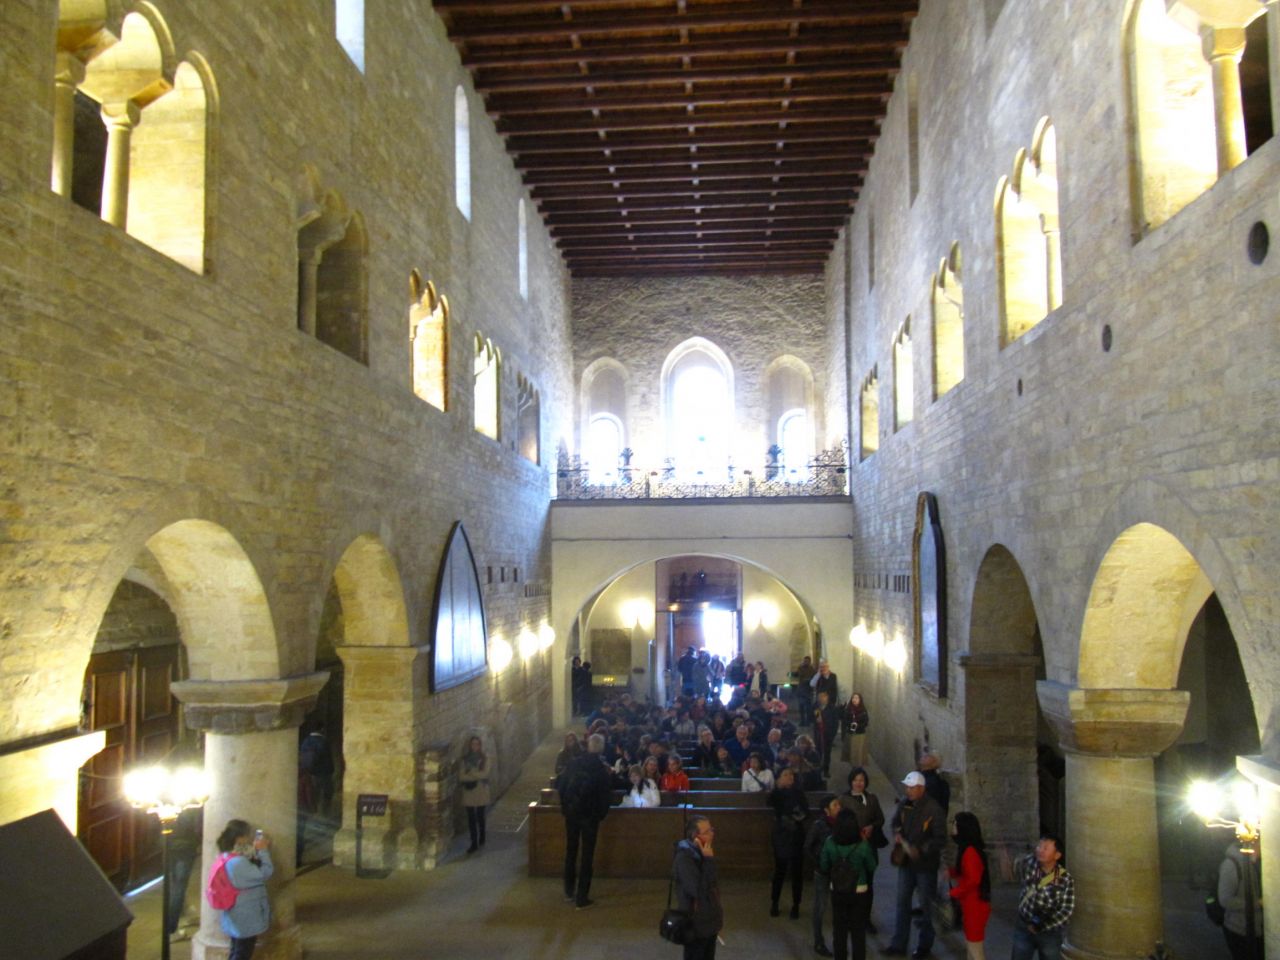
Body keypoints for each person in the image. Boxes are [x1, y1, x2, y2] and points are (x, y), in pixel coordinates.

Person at [885, 771, 947, 959]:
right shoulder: (905, 804)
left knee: (927, 907)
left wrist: (921, 849)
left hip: (925, 866)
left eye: (911, 788)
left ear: (921, 788)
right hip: (906, 863)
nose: (908, 790)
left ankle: (924, 946)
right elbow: (896, 822)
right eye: (907, 787)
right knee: (902, 903)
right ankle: (898, 944)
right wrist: (897, 832)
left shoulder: (934, 809)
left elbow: (940, 838)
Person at [556, 732, 614, 908]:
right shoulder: (602, 770)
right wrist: (600, 814)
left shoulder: (574, 763)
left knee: (571, 850)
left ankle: (568, 891)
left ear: (588, 746)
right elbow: (605, 796)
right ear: (601, 749)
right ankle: (582, 897)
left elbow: (561, 785)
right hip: (590, 816)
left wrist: (565, 807)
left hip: (572, 813)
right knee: (587, 855)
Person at [821, 810, 878, 960]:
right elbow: (872, 866)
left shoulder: (830, 842)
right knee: (858, 931)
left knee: (839, 930)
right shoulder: (862, 845)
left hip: (838, 890)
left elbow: (824, 865)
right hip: (859, 891)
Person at [214, 819, 273, 960]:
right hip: (245, 913)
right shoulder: (238, 862)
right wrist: (263, 851)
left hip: (236, 911)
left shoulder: (226, 855)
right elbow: (265, 872)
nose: (250, 838)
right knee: (243, 952)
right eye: (247, 835)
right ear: (239, 837)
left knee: (236, 949)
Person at [1010, 833, 1075, 960]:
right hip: (1024, 924)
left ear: (1057, 855)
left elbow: (1066, 910)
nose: (1040, 850)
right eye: (1039, 846)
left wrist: (1043, 925)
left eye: (1046, 848)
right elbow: (1015, 868)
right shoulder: (1029, 864)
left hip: (1049, 932)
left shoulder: (1064, 879)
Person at [840, 766, 887, 932]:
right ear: (851, 782)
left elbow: (880, 819)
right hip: (851, 848)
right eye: (856, 780)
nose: (859, 783)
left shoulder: (872, 799)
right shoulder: (844, 800)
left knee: (868, 883)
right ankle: (850, 917)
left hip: (868, 846)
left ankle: (866, 918)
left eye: (861, 780)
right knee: (850, 883)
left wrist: (872, 827)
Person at [674, 815, 724, 960]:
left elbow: (712, 883)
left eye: (712, 829)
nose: (712, 834)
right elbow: (697, 890)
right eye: (707, 832)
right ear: (695, 836)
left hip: (708, 921)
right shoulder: (684, 859)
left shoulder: (703, 852)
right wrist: (708, 860)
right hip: (695, 924)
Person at [948, 812, 992, 960]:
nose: (953, 827)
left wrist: (954, 892)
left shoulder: (970, 852)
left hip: (975, 906)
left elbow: (973, 880)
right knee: (971, 946)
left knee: (975, 949)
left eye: (955, 824)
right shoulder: (967, 849)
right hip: (971, 904)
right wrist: (951, 872)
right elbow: (966, 872)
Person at [768, 767, 809, 919]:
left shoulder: (798, 792)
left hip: (796, 833)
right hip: (781, 834)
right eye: (785, 774)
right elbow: (770, 802)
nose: (789, 776)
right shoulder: (777, 792)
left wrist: (797, 816)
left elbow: (806, 812)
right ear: (780, 777)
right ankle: (775, 902)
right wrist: (778, 788)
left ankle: (796, 904)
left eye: (791, 774)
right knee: (780, 870)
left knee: (797, 872)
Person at [807, 794, 842, 957]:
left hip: (839, 871)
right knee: (820, 906)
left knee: (839, 906)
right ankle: (818, 941)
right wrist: (819, 863)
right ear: (827, 810)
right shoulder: (818, 826)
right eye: (835, 805)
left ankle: (839, 941)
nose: (839, 808)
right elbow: (808, 846)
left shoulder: (843, 824)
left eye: (839, 805)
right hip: (823, 871)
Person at [1218, 840, 1263, 960]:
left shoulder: (1255, 863)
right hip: (1239, 929)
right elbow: (1225, 899)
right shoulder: (1232, 865)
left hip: (1256, 928)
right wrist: (1257, 903)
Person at [459, 735, 490, 853]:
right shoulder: (465, 760)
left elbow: (485, 774)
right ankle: (474, 842)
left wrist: (471, 772)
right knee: (471, 818)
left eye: (477, 744)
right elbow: (462, 777)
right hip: (469, 792)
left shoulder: (485, 758)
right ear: (470, 745)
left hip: (481, 791)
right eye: (473, 744)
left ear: (480, 745)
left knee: (480, 816)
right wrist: (477, 774)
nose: (475, 746)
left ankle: (482, 836)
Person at [814, 689, 839, 779]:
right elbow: (811, 718)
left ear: (827, 697)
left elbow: (835, 723)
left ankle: (826, 770)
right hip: (818, 733)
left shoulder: (832, 708)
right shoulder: (816, 707)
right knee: (818, 751)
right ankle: (818, 768)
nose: (821, 698)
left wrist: (832, 735)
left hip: (828, 734)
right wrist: (816, 720)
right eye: (820, 697)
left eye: (823, 696)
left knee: (827, 753)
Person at [843, 693, 869, 766]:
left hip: (859, 734)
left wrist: (858, 726)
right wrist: (850, 724)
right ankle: (853, 767)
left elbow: (866, 722)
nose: (854, 700)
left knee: (858, 752)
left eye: (857, 698)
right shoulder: (848, 709)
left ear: (860, 700)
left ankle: (858, 767)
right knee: (851, 751)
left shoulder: (863, 710)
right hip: (850, 733)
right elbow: (844, 720)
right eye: (853, 698)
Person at [795, 655, 816, 725]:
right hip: (801, 690)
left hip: (808, 690)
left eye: (807, 661)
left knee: (808, 707)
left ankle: (808, 721)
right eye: (804, 661)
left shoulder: (812, 669)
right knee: (801, 707)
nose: (805, 662)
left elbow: (812, 678)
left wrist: (807, 679)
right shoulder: (800, 668)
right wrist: (807, 679)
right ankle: (802, 720)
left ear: (809, 662)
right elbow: (800, 675)